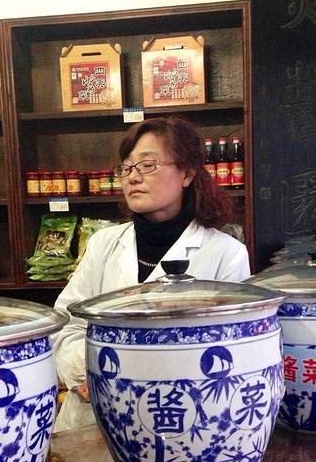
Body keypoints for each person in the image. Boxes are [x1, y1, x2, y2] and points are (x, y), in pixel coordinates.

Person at [52, 116, 250, 431]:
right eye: (126, 168)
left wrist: (139, 374)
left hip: (179, 415)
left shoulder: (225, 253)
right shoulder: (104, 243)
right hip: (93, 417)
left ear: (186, 173)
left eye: (147, 165)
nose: (132, 177)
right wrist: (89, 371)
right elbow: (66, 326)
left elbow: (231, 349)